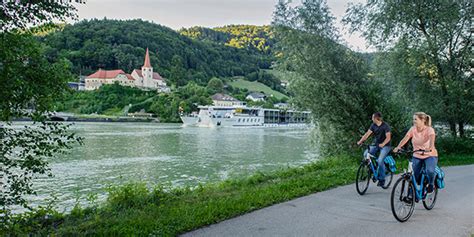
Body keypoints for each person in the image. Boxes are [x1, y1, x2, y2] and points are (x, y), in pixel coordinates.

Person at [393, 112, 438, 193]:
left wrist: (430, 148)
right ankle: (411, 196)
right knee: (414, 176)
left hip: (430, 155)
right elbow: (405, 138)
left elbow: (432, 139)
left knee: (430, 171)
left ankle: (431, 184)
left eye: (415, 119)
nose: (413, 121)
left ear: (423, 120)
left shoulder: (429, 129)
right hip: (417, 155)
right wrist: (398, 147)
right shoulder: (413, 129)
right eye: (413, 119)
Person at [357, 112, 392, 187]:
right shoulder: (373, 125)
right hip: (376, 144)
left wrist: (383, 144)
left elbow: (388, 137)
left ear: (376, 118)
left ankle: (382, 179)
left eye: (372, 117)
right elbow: (367, 134)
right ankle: (373, 170)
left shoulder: (385, 126)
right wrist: (360, 141)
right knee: (366, 154)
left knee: (380, 160)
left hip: (386, 146)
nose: (371, 119)